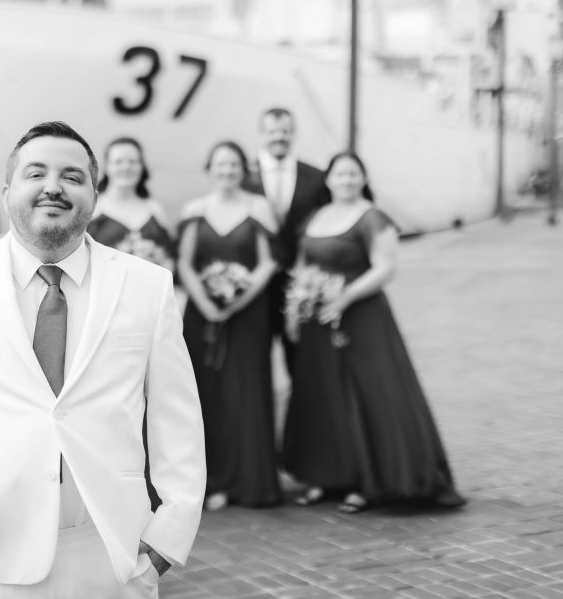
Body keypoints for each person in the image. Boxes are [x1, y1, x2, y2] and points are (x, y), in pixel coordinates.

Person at [0, 121, 206, 598]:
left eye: (73, 177)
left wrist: (167, 540)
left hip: (112, 555)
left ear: (94, 197)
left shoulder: (148, 286)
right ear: (7, 192)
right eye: (36, 174)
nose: (53, 187)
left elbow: (177, 421)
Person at [282, 152, 467, 514]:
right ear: (328, 179)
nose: (346, 180)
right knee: (323, 395)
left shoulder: (372, 217)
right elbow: (302, 266)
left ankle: (365, 482)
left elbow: (385, 268)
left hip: (361, 318)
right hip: (316, 322)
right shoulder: (316, 216)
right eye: (340, 174)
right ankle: (325, 477)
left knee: (363, 394)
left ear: (363, 178)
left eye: (354, 174)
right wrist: (293, 311)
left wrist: (345, 297)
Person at [178, 141, 282, 511]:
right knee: (205, 395)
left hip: (249, 314)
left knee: (247, 391)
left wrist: (239, 298)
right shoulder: (195, 210)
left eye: (234, 164)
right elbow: (185, 263)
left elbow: (269, 262)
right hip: (201, 314)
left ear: (244, 169)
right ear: (210, 169)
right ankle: (210, 481)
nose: (227, 171)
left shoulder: (259, 208)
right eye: (220, 165)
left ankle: (249, 481)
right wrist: (206, 304)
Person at [243, 107, 328, 375]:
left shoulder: (316, 177)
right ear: (261, 134)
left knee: (302, 359)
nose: (279, 137)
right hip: (255, 283)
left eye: (285, 131)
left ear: (293, 133)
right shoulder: (242, 177)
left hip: (302, 283)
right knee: (254, 357)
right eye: (272, 131)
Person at [88, 137, 174, 272]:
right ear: (106, 166)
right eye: (118, 162)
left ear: (142, 166)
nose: (126, 167)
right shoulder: (93, 208)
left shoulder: (154, 209)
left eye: (133, 162)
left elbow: (170, 257)